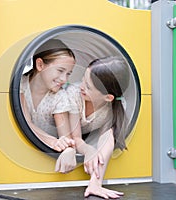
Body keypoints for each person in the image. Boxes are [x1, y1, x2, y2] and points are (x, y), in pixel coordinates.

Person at [55, 56, 129, 199]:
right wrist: (89, 150)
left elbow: (107, 139)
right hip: (62, 132)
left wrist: (96, 182)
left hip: (84, 136)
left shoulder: (116, 106)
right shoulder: (74, 93)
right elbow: (74, 137)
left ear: (108, 98)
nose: (82, 86)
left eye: (88, 86)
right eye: (83, 79)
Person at [20, 38, 76, 152]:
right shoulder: (20, 85)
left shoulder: (60, 97)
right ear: (40, 65)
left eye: (68, 73)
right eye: (60, 70)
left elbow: (65, 136)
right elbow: (26, 123)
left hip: (47, 154)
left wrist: (66, 147)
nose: (64, 79)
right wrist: (53, 142)